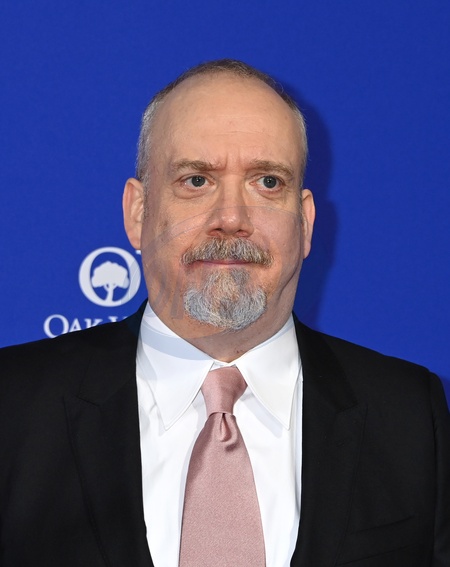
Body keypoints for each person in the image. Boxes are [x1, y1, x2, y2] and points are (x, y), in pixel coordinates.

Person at [0, 59, 449, 567]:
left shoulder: (409, 418)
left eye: (267, 182)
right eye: (196, 180)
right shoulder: (13, 406)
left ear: (305, 223)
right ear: (138, 212)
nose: (231, 218)